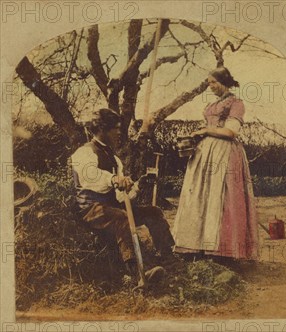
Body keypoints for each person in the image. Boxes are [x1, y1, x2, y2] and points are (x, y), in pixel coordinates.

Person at [70, 108, 176, 282]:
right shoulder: (85, 152)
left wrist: (135, 188)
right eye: (116, 128)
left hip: (111, 207)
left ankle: (167, 256)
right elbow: (89, 176)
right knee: (122, 217)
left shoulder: (114, 158)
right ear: (102, 129)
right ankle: (136, 272)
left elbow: (121, 196)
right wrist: (113, 179)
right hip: (91, 209)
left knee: (153, 212)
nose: (120, 132)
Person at [171, 67, 258, 260]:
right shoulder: (213, 104)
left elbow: (230, 132)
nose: (210, 87)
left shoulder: (236, 103)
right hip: (206, 154)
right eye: (209, 83)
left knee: (222, 198)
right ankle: (196, 246)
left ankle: (221, 251)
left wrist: (204, 131)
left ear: (223, 81)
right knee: (201, 197)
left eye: (213, 83)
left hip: (225, 153)